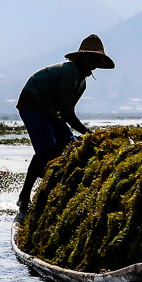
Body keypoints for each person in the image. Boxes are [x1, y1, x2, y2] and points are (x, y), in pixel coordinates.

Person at [15, 34, 115, 214]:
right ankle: (24, 196)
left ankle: (50, 189)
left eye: (97, 58)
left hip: (50, 110)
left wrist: (79, 135)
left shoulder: (82, 83)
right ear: (82, 57)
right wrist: (87, 132)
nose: (93, 61)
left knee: (69, 145)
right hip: (32, 102)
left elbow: (64, 113)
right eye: (91, 57)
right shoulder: (70, 72)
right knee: (46, 148)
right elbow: (67, 112)